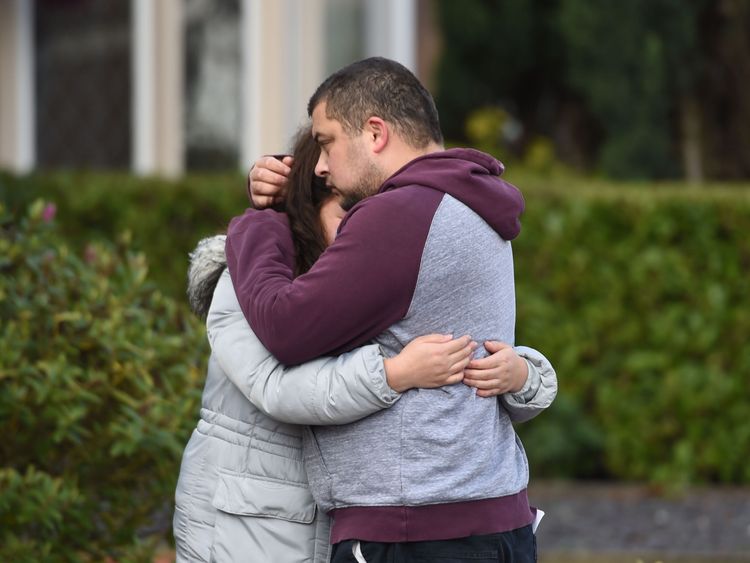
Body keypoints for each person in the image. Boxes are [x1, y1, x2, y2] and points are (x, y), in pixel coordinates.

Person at [174, 126, 555, 562]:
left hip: (333, 517)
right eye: (349, 214)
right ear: (307, 208)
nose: (366, 228)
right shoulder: (244, 283)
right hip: (249, 516)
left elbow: (453, 350)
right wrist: (395, 374)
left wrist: (522, 373)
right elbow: (278, 389)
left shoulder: (364, 285)